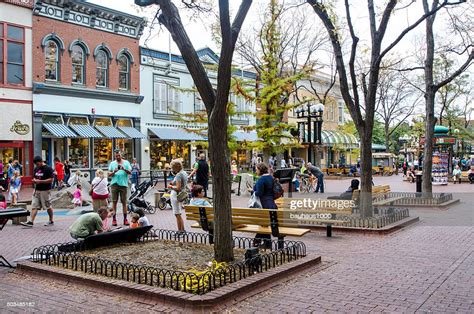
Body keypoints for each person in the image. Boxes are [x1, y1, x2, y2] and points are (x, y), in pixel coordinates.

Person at [21, 156, 54, 227]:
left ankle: (51, 220)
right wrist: (34, 181)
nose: (37, 165)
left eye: (38, 163)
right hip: (37, 190)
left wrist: (40, 181)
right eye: (36, 164)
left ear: (41, 161)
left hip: (45, 190)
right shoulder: (36, 168)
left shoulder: (48, 169)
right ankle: (31, 222)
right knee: (34, 206)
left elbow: (51, 180)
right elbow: (34, 177)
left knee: (48, 206)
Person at [253, 163, 276, 248]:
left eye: (256, 169)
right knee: (265, 224)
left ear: (260, 169)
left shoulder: (261, 180)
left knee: (264, 223)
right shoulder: (271, 177)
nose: (256, 171)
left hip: (264, 204)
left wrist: (252, 191)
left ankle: (258, 240)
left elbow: (259, 193)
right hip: (272, 204)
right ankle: (265, 242)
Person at [108, 149, 132, 226]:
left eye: (119, 155)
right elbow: (109, 174)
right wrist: (114, 172)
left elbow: (130, 172)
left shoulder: (126, 162)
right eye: (116, 156)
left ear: (121, 155)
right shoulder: (112, 163)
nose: (117, 157)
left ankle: (125, 219)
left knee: (124, 202)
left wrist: (124, 169)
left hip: (123, 184)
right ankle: (114, 219)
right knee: (114, 202)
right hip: (114, 184)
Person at [168, 159, 188, 233]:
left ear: (175, 167)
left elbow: (178, 188)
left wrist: (171, 187)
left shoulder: (179, 174)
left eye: (172, 167)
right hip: (181, 195)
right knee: (178, 213)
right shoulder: (184, 173)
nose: (172, 169)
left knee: (177, 214)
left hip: (176, 196)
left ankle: (180, 231)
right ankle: (182, 230)